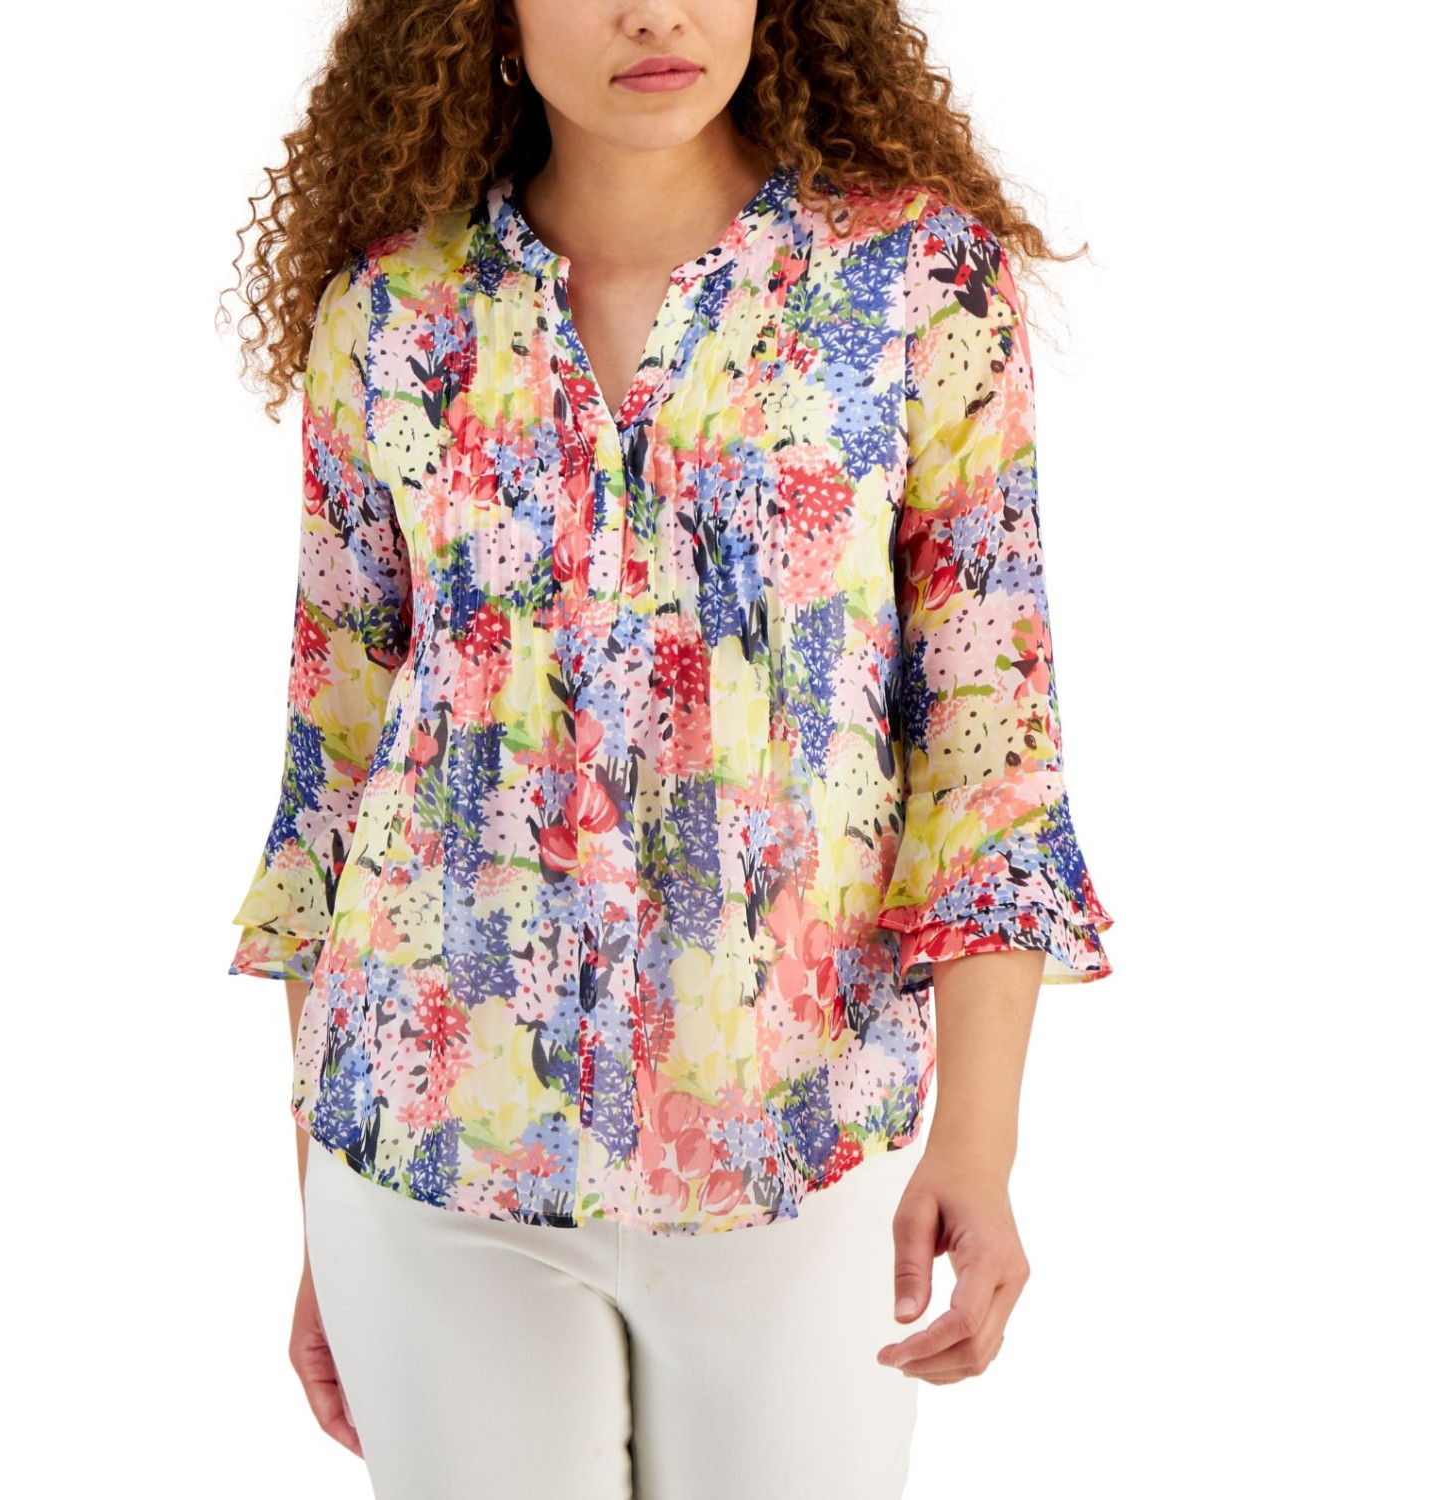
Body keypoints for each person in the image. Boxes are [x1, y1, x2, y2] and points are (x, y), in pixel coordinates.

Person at [219, 2, 1114, 1495]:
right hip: (433, 1164)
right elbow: (336, 772)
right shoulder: (389, 314)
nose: (655, 11)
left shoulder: (914, 280)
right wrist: (316, 1200)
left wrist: (981, 1137)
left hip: (803, 1148)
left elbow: (990, 732)